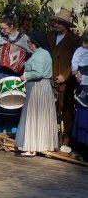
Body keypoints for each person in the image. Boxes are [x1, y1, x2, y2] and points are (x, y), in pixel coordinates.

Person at [0, 15, 30, 133]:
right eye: (1, 28)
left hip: (16, 72)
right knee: (0, 98)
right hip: (2, 71)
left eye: (4, 28)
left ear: (12, 26)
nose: (2, 31)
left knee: (13, 97)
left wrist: (22, 58)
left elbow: (30, 53)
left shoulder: (24, 38)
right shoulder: (0, 37)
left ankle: (13, 129)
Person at [15, 31, 58, 156]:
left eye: (29, 42)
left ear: (34, 43)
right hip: (42, 87)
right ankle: (41, 145)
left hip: (37, 87)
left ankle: (31, 146)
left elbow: (38, 72)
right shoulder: (42, 53)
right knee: (41, 117)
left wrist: (26, 75)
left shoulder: (40, 55)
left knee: (33, 115)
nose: (28, 44)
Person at [47, 8, 82, 153]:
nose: (57, 25)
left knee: (66, 112)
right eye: (56, 22)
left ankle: (67, 140)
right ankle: (51, 139)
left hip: (66, 82)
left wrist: (65, 75)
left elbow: (78, 60)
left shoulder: (75, 39)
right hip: (49, 78)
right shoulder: (49, 36)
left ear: (67, 25)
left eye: (60, 23)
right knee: (50, 111)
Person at [72, 32, 88, 159]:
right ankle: (80, 150)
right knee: (82, 116)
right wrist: (76, 72)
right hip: (83, 86)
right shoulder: (80, 51)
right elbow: (75, 62)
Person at [72, 32, 88, 107]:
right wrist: (74, 69)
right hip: (81, 69)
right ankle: (82, 97)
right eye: (84, 42)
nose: (85, 45)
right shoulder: (79, 50)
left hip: (86, 68)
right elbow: (74, 60)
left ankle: (83, 96)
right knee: (84, 83)